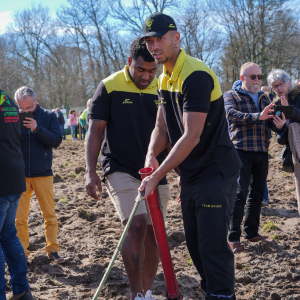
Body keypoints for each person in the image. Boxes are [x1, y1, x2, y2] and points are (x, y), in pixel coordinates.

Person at [139, 12, 242, 300]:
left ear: (176, 38)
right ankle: (213, 292)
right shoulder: (164, 77)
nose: (154, 45)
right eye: (149, 40)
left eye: (159, 38)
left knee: (212, 247)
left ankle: (221, 295)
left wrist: (158, 175)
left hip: (216, 170)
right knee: (196, 246)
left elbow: (191, 135)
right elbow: (161, 125)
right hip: (192, 172)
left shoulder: (194, 74)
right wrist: (151, 157)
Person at [85, 38, 170, 300]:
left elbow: (174, 131)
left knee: (155, 232)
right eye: (140, 70)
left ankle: (146, 293)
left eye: (152, 71)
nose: (146, 76)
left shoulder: (163, 87)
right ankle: (135, 295)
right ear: (129, 63)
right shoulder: (109, 86)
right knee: (137, 225)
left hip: (156, 169)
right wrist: (90, 171)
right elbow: (96, 130)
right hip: (119, 166)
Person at [224, 63, 286, 254]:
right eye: (253, 77)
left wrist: (280, 125)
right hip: (240, 151)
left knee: (257, 194)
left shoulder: (264, 97)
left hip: (261, 150)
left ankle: (251, 232)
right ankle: (233, 238)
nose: (257, 80)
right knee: (239, 194)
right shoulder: (231, 95)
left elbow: (271, 123)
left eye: (259, 76)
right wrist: (256, 116)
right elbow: (231, 115)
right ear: (242, 78)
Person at [14, 86, 64, 263]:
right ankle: (22, 253)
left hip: (43, 173)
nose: (25, 111)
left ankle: (53, 249)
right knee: (19, 218)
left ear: (36, 100)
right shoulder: (12, 118)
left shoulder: (49, 116)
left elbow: (57, 140)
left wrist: (37, 128)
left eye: (28, 107)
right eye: (22, 108)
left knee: (49, 215)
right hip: (20, 174)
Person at [0, 89, 35, 300]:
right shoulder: (7, 99)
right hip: (14, 175)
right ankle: (21, 290)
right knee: (8, 236)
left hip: (2, 178)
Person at [267, 69, 300, 214]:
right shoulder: (275, 106)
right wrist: (281, 129)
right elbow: (280, 140)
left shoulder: (298, 96)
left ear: (289, 82)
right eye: (275, 86)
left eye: (281, 84)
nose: (279, 88)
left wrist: (289, 110)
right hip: (297, 155)